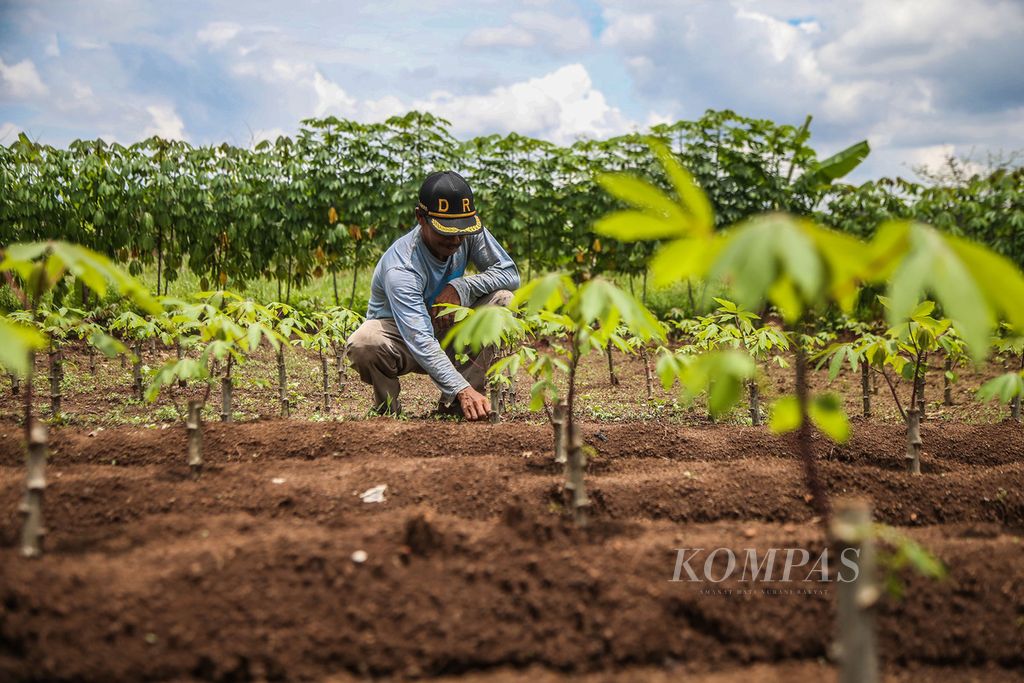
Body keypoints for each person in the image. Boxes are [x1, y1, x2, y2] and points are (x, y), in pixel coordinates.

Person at [347, 170, 520, 420]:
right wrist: (459, 388)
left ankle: (459, 407)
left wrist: (462, 287)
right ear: (421, 217)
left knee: (503, 299)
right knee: (365, 342)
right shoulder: (402, 267)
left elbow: (509, 274)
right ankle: (387, 413)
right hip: (402, 341)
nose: (457, 240)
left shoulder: (466, 231)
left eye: (462, 231)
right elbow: (419, 338)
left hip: (447, 330)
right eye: (446, 232)